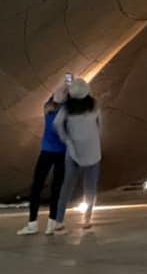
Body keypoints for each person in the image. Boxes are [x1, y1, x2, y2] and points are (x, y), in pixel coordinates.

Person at [16, 82, 69, 236]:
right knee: (56, 189)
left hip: (46, 152)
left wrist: (64, 85)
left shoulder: (47, 109)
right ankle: (51, 224)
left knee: (37, 187)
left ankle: (32, 224)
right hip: (62, 153)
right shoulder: (68, 112)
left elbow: (54, 96)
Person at [51, 78, 101, 234]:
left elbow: (57, 124)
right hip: (93, 151)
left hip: (73, 151)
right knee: (90, 188)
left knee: (67, 187)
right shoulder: (94, 105)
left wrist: (65, 138)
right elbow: (99, 124)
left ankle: (59, 222)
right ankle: (87, 220)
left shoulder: (67, 108)